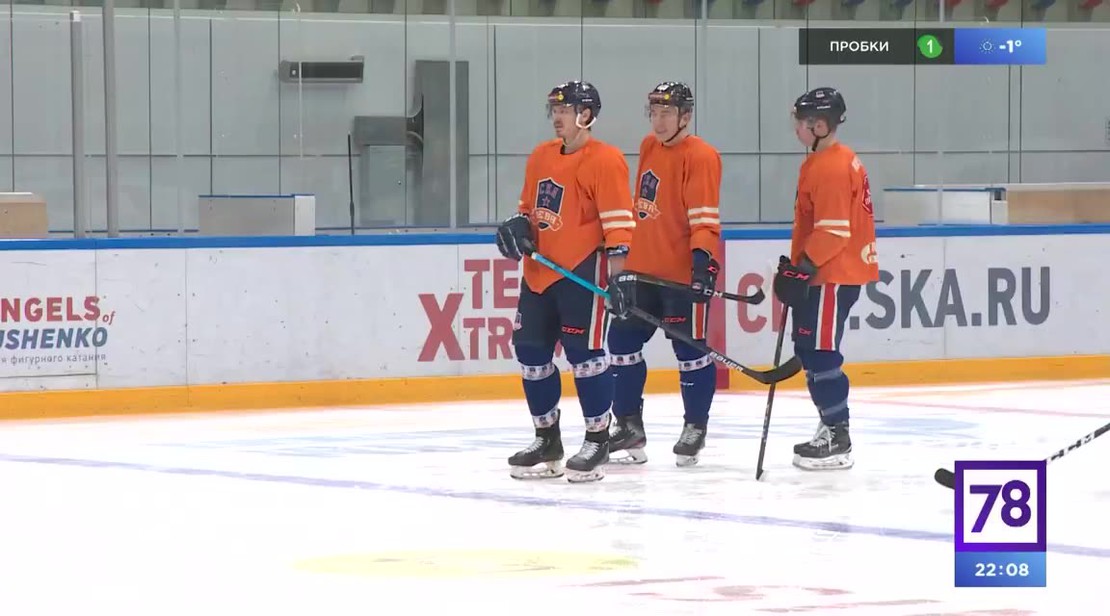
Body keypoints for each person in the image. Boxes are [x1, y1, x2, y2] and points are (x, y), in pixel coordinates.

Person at [495, 80, 636, 483]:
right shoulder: (541, 156)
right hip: (539, 274)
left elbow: (619, 224)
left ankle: (597, 439)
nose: (557, 117)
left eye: (565, 110)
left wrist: (620, 277)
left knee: (584, 355)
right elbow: (528, 208)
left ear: (585, 115)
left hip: (582, 271)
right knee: (530, 353)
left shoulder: (606, 160)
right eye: (554, 110)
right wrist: (517, 226)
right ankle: (547, 439)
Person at [605, 82, 722, 467]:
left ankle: (695, 427)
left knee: (689, 351)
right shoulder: (649, 146)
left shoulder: (701, 156)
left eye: (667, 113)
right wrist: (624, 266)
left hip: (679, 276)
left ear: (685, 116)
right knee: (621, 342)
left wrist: (702, 264)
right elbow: (643, 211)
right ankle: (628, 425)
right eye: (654, 112)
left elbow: (704, 218)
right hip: (642, 270)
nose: (658, 120)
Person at [773, 87, 879, 471]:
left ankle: (837, 435)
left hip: (833, 273)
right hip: (826, 272)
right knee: (810, 351)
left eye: (802, 123)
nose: (796, 129)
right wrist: (799, 265)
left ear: (820, 125)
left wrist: (803, 266)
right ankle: (830, 424)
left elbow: (834, 232)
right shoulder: (825, 160)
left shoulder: (832, 166)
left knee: (821, 354)